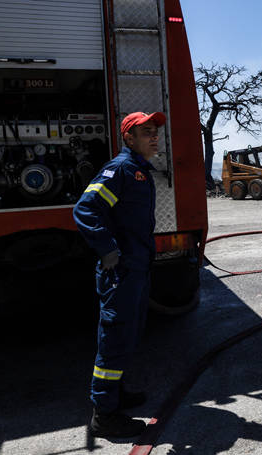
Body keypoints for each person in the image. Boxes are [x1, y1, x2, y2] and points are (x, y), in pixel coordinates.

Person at [73, 111, 165, 437]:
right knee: (114, 339)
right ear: (129, 138)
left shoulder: (138, 170)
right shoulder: (121, 169)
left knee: (128, 335)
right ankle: (105, 415)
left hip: (136, 268)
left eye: (155, 132)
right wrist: (107, 249)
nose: (154, 137)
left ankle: (117, 393)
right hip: (121, 271)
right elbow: (85, 208)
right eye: (146, 133)